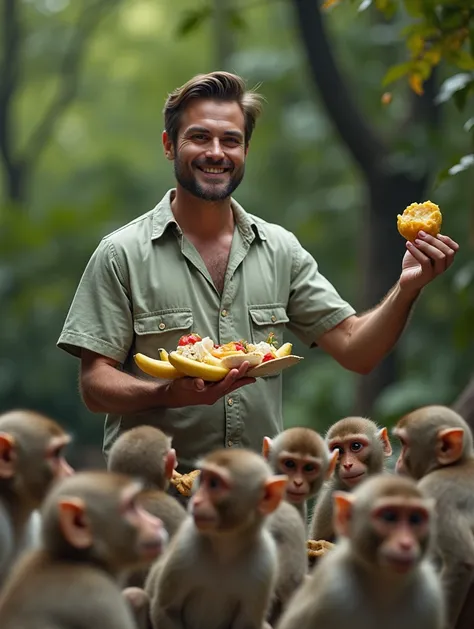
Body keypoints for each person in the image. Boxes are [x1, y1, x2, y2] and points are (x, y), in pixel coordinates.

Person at [57, 71, 459, 473]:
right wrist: (169, 393)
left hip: (260, 502)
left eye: (230, 140)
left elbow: (357, 349)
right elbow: (96, 386)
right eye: (199, 137)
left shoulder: (280, 249)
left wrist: (407, 288)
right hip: (157, 504)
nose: (216, 152)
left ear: (245, 149)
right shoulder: (121, 253)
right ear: (168, 145)